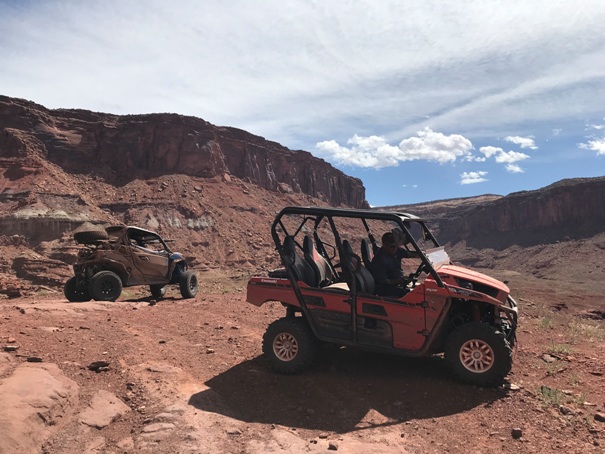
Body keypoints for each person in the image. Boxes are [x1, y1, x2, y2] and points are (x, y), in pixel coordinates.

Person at [369, 231, 418, 298]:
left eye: (396, 246)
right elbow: (383, 281)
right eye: (392, 246)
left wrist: (423, 255)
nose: (395, 249)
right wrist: (400, 281)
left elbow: (410, 254)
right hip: (384, 289)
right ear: (385, 245)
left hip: (396, 283)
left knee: (416, 292)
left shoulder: (397, 251)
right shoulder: (379, 260)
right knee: (407, 295)